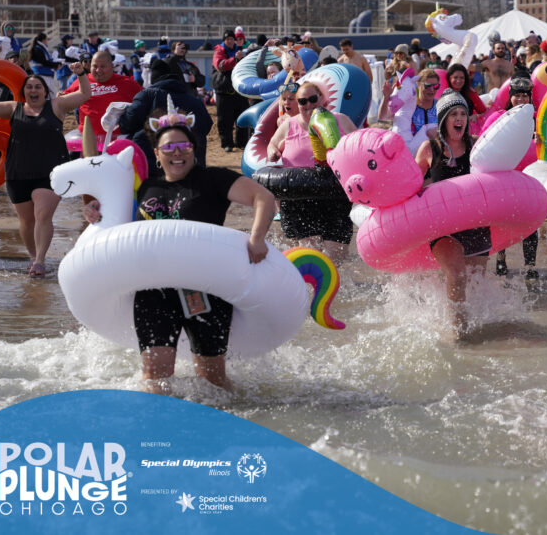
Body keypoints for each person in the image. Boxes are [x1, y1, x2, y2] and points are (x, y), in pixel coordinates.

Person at [85, 109, 276, 394]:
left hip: (205, 288)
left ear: (194, 149)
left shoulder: (213, 179)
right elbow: (120, 228)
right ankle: (161, 430)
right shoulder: (147, 186)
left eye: (184, 146)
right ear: (157, 153)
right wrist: (95, 211)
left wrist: (257, 238)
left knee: (213, 382)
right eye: (169, 147)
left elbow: (263, 197)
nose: (177, 153)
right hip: (154, 290)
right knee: (154, 376)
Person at [0, 70, 91, 277]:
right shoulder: (14, 108)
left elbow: (85, 94)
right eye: (29, 87)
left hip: (50, 172)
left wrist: (81, 73)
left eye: (37, 87)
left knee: (42, 215)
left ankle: (40, 260)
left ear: (45, 91)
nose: (33, 90)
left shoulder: (57, 106)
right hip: (17, 172)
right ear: (23, 92)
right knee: (27, 221)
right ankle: (33, 255)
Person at [415, 92, 490, 336]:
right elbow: (411, 184)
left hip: (476, 223)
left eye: (463, 115)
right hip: (442, 227)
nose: (459, 119)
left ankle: (477, 330)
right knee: (457, 275)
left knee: (475, 282)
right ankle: (459, 332)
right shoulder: (429, 149)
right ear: (444, 119)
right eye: (454, 114)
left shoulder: (478, 146)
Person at [267, 81, 357, 259]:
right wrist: (273, 152)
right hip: (301, 194)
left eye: (312, 99)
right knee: (310, 251)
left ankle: (334, 285)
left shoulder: (340, 120)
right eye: (302, 101)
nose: (308, 105)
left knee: (336, 254)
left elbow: (358, 145)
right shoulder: (289, 125)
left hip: (334, 192)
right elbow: (272, 144)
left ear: (322, 99)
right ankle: (309, 285)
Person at [118, 58, 212, 178]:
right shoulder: (194, 99)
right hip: (192, 167)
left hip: (154, 168)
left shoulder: (147, 96)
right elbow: (207, 125)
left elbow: (127, 124)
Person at [493, 78, 539, 282]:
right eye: (517, 95)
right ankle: (501, 258)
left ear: (530, 97)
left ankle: (530, 266)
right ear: (510, 96)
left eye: (524, 95)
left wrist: (541, 140)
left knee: (531, 222)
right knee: (502, 220)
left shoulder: (538, 118)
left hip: (529, 177)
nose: (520, 99)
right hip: (504, 177)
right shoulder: (499, 117)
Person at [62, 50, 142, 146]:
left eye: (103, 67)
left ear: (112, 67)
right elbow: (63, 100)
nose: (98, 70)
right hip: (88, 139)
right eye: (95, 66)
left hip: (117, 140)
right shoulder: (83, 81)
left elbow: (146, 99)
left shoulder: (127, 83)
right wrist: (61, 96)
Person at [211, 29, 248, 152]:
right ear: (224, 41)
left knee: (241, 117)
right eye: (228, 39)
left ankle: (241, 142)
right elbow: (221, 66)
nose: (230, 41)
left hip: (238, 90)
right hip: (224, 90)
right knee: (224, 120)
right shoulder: (219, 51)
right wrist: (235, 59)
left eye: (232, 39)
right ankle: (227, 143)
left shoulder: (240, 51)